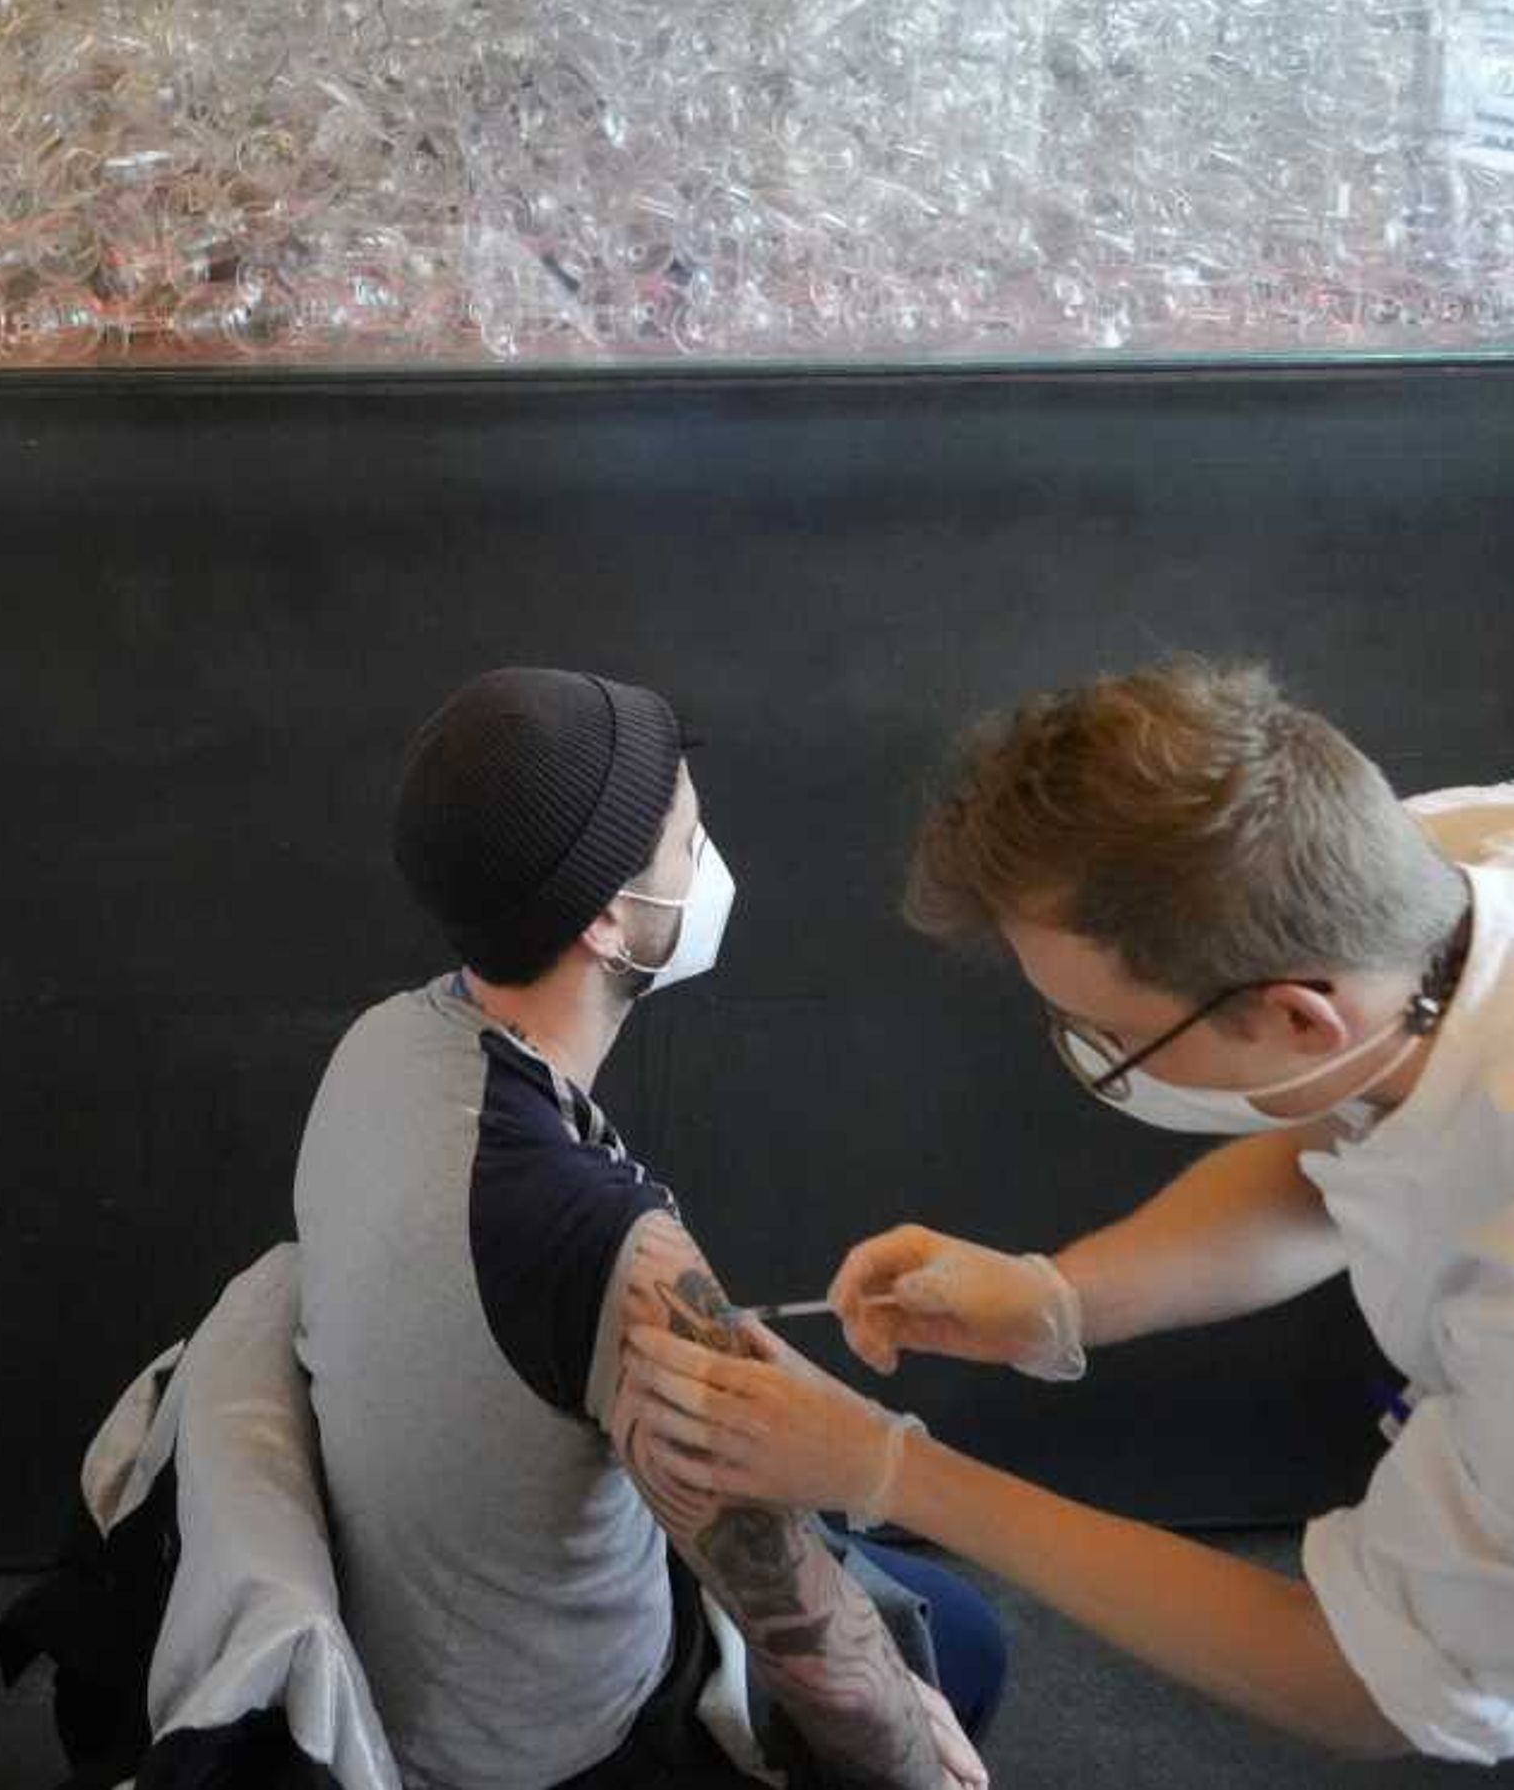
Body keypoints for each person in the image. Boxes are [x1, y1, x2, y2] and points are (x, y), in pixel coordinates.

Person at [623, 656, 1514, 1784]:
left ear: (1298, 1010)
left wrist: (890, 1469)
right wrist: (1062, 1297)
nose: (1083, 1052)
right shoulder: (1436, 874)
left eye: (1103, 1029)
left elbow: (1359, 1679)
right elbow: (1340, 1127)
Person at [301, 667, 999, 1790]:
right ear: (609, 920)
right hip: (572, 1745)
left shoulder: (383, 1046)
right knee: (965, 1651)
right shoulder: (597, 1237)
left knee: (938, 1619)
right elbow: (818, 1656)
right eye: (689, 835)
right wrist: (917, 1756)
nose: (712, 859)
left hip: (427, 1653)